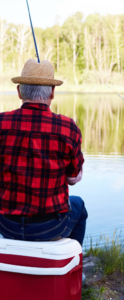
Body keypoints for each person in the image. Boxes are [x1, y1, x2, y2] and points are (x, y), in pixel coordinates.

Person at [0, 59, 88, 280]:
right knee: (79, 206)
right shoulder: (67, 127)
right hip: (50, 226)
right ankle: (73, 266)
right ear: (52, 94)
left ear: (19, 92)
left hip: (6, 224)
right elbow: (74, 177)